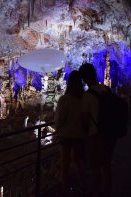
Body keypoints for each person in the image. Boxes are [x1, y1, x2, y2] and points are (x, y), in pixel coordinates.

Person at [79, 63, 116, 197]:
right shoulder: (106, 89)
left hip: (96, 134)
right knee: (106, 164)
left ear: (83, 79)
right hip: (110, 132)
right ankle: (107, 191)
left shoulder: (87, 96)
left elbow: (84, 121)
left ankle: (95, 192)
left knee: (95, 166)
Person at [55, 70, 86, 196]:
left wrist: (57, 128)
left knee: (65, 163)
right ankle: (83, 185)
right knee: (78, 161)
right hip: (79, 135)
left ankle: (65, 190)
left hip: (66, 136)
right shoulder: (84, 99)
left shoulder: (64, 100)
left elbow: (59, 119)